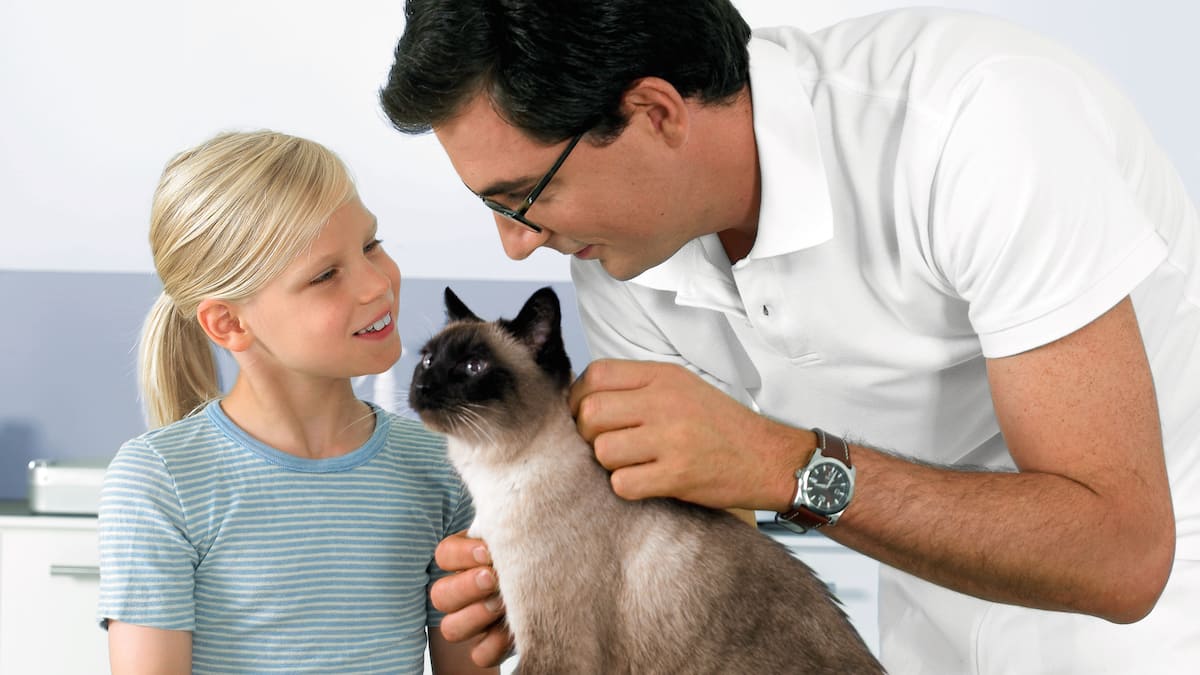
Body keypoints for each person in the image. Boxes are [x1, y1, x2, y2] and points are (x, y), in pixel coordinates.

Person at [380, 1, 1200, 672]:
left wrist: (786, 465)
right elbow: (694, 548)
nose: (515, 245)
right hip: (911, 635)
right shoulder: (622, 256)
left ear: (655, 112)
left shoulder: (979, 124)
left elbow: (1123, 555)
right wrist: (556, 578)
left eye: (525, 198)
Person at [97, 130, 496, 674]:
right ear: (229, 322)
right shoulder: (161, 481)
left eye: (370, 245)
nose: (375, 284)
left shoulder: (441, 466)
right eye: (326, 275)